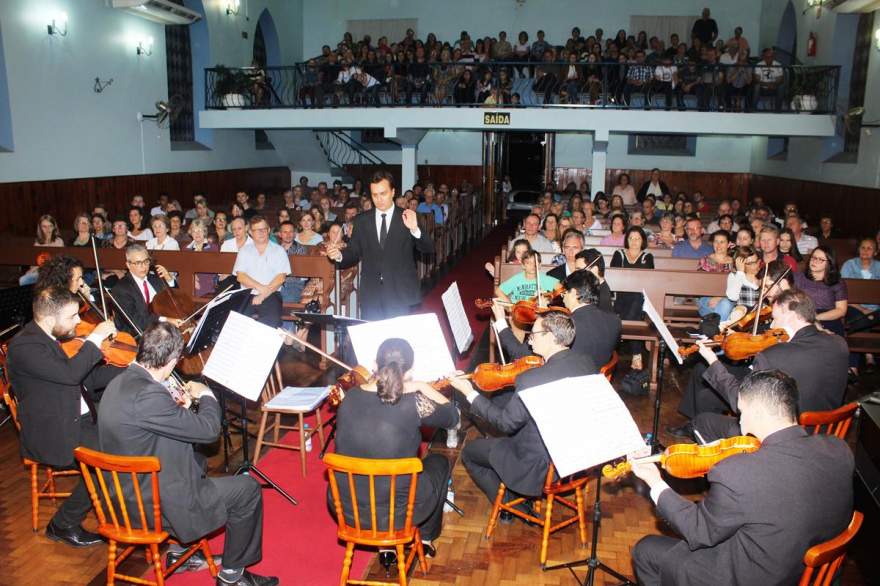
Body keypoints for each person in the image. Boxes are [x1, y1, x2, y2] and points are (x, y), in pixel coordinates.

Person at [632, 369, 853, 586]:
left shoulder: (738, 473)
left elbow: (698, 531)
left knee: (646, 550)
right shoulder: (838, 448)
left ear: (757, 413)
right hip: (810, 571)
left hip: (758, 577)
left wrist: (655, 482)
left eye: (741, 412)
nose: (740, 421)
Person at [97, 323, 277, 586]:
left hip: (121, 494)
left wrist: (177, 409)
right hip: (153, 506)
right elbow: (209, 431)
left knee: (199, 461)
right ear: (171, 362)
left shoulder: (119, 382)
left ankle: (179, 553)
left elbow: (148, 424)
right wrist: (206, 396)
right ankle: (232, 576)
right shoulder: (149, 395)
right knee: (247, 489)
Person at [6, 287, 120, 548]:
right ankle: (63, 523)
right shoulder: (24, 346)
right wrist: (94, 340)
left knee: (129, 432)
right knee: (113, 462)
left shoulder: (51, 338)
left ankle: (125, 509)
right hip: (55, 431)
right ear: (48, 319)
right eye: (72, 317)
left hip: (77, 417)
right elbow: (70, 375)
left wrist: (135, 368)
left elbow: (87, 380)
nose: (79, 321)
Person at [451, 311, 596, 510]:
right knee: (504, 405)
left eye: (534, 334)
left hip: (538, 465)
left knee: (469, 453)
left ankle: (511, 507)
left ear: (552, 338)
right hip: (574, 455)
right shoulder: (586, 362)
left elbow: (505, 423)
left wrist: (469, 393)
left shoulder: (532, 380)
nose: (529, 340)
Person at [332, 338, 458, 563]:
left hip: (347, 507)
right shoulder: (415, 403)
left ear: (373, 364)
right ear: (408, 372)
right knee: (438, 462)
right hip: (397, 514)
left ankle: (385, 550)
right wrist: (421, 386)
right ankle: (426, 537)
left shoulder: (349, 397)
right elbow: (452, 417)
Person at [686, 288, 849, 441]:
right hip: (825, 431)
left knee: (702, 422)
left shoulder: (774, 355)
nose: (772, 325)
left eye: (776, 318)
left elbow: (740, 402)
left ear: (790, 315)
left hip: (782, 438)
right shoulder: (839, 343)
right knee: (707, 398)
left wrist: (712, 361)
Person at [326, 171, 435, 320]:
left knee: (397, 340)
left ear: (393, 192)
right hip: (371, 292)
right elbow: (354, 251)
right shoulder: (361, 220)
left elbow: (428, 248)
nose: (379, 199)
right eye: (375, 195)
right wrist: (339, 255)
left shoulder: (407, 216)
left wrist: (415, 229)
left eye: (383, 193)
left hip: (399, 291)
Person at [493, 269, 620, 367]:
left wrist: (500, 321)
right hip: (597, 382)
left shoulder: (567, 324)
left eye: (565, 292)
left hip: (566, 384)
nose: (563, 297)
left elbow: (519, 354)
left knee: (501, 396)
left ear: (575, 293)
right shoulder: (615, 321)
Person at [612, 226, 655, 394]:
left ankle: (635, 353)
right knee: (632, 307)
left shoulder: (647, 256)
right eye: (631, 238)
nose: (634, 241)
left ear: (642, 240)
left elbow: (648, 280)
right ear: (627, 240)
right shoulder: (619, 254)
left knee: (637, 300)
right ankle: (637, 354)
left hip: (639, 299)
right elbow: (616, 276)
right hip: (621, 297)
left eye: (638, 238)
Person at [232, 215, 290, 328]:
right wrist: (260, 288)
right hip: (247, 294)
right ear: (250, 233)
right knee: (238, 323)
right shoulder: (244, 251)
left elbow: (280, 278)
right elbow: (241, 277)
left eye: (264, 229)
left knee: (269, 323)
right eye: (257, 230)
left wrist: (262, 295)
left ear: (268, 230)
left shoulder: (279, 251)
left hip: (272, 294)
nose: (261, 232)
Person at [110, 243, 179, 336]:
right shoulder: (121, 289)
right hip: (137, 336)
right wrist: (165, 320)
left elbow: (175, 301)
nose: (144, 266)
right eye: (138, 263)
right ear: (128, 265)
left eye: (146, 261)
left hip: (163, 332)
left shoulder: (155, 279)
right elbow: (136, 321)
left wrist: (169, 279)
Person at [795, 245, 848, 336]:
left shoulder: (837, 282)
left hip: (828, 318)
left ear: (829, 263)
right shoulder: (799, 277)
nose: (815, 261)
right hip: (802, 316)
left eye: (820, 259)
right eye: (813, 257)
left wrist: (815, 318)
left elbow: (841, 310)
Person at [697, 230, 734, 317]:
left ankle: (713, 329)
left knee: (725, 304)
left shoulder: (734, 263)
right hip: (706, 299)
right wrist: (714, 297)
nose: (718, 245)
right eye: (716, 241)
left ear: (728, 244)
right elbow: (699, 285)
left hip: (728, 299)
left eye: (722, 242)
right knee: (725, 306)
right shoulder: (705, 261)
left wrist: (720, 297)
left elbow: (736, 287)